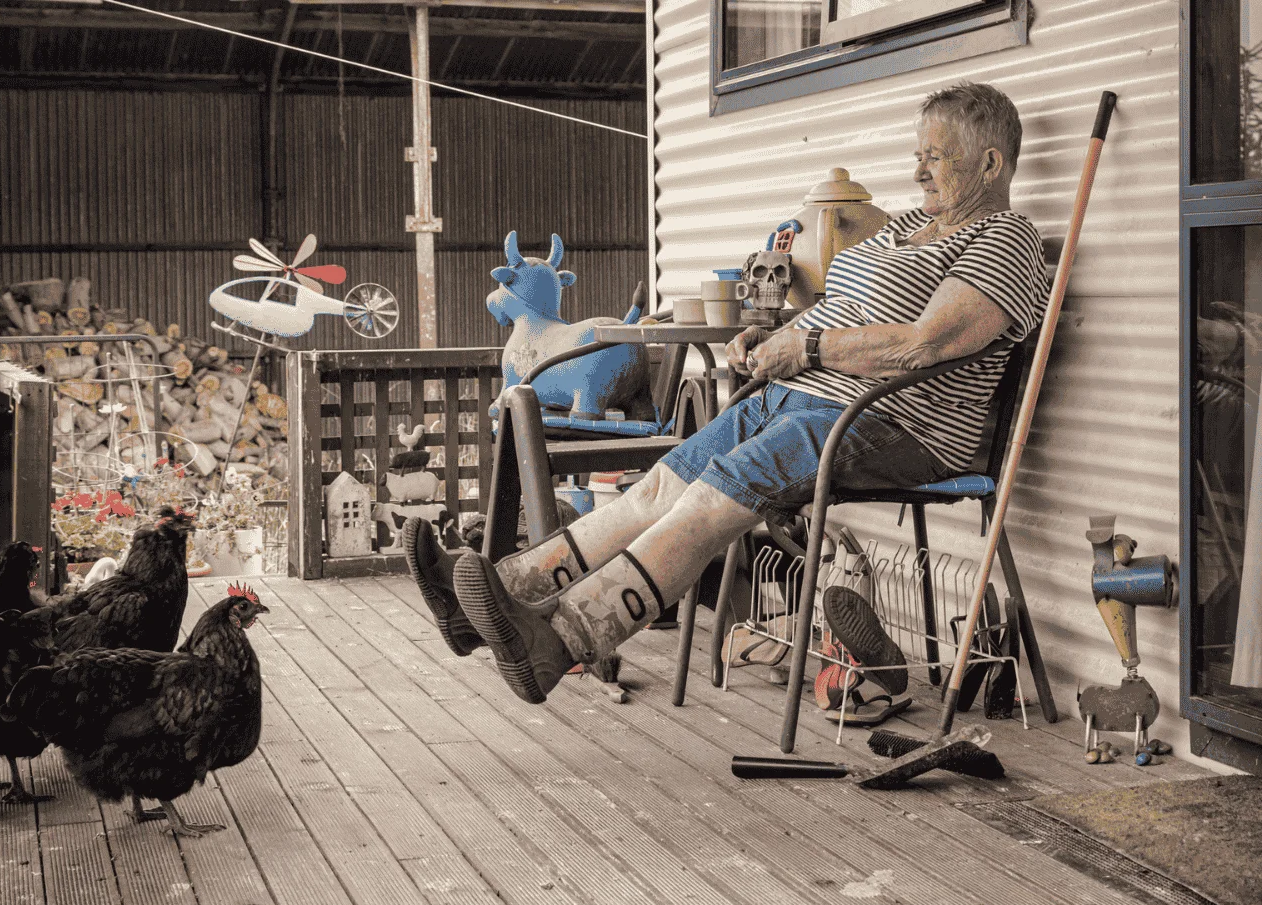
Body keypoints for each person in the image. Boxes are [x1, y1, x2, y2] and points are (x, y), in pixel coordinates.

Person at [405, 81, 1051, 705]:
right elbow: (843, 306)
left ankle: (560, 642)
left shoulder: (1004, 239)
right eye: (918, 157)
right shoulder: (906, 224)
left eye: (934, 158)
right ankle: (490, 598)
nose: (919, 173)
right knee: (659, 487)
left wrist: (808, 349)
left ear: (991, 163)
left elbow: (927, 341)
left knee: (709, 502)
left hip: (889, 422)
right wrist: (774, 338)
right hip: (804, 394)